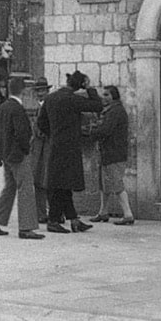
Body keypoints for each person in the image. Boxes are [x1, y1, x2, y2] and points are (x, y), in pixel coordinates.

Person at [37, 70, 103, 233]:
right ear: (79, 85)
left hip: (56, 145)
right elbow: (97, 105)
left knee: (63, 183)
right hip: (70, 146)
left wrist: (53, 135)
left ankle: (74, 220)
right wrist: (90, 88)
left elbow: (41, 122)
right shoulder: (73, 99)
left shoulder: (51, 98)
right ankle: (53, 220)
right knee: (60, 184)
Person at [0, 76, 45, 240]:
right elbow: (22, 133)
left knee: (10, 187)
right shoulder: (17, 109)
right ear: (24, 91)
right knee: (26, 188)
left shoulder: (3, 107)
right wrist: (26, 149)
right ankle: (26, 227)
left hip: (6, 154)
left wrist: (0, 154)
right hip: (18, 155)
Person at [86, 85, 135, 225]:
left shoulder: (115, 111)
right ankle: (103, 212)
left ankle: (128, 213)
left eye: (107, 95)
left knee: (116, 183)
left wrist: (91, 132)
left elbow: (106, 130)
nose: (103, 98)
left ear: (114, 96)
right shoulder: (112, 110)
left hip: (113, 152)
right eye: (103, 95)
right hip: (108, 152)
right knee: (104, 184)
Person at [29, 77, 52, 223]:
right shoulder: (37, 106)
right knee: (38, 180)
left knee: (48, 180)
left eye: (42, 90)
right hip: (37, 148)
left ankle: (54, 211)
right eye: (38, 91)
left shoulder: (49, 106)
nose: (40, 93)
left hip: (47, 146)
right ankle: (41, 212)